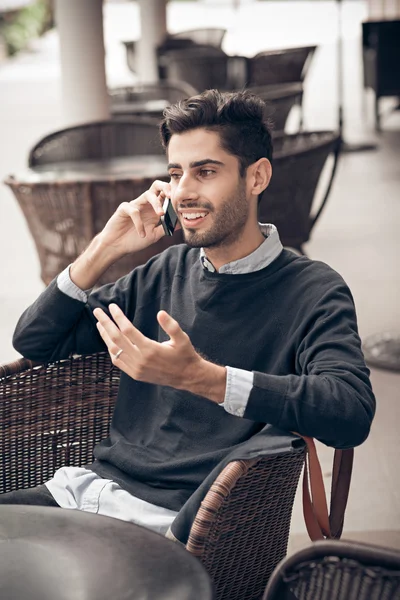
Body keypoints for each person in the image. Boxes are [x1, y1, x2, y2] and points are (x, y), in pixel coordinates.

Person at [3, 89, 376, 536]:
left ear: (256, 177)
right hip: (86, 492)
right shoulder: (166, 269)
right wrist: (105, 247)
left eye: (206, 172)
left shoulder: (314, 290)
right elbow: (35, 341)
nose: (184, 192)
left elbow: (350, 411)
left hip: (180, 526)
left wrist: (202, 378)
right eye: (176, 174)